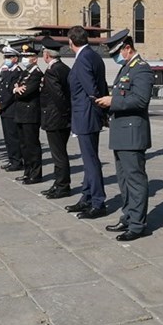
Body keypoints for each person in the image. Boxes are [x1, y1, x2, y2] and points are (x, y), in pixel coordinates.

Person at [95, 29, 154, 239]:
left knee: (135, 180)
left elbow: (140, 100)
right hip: (121, 134)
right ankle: (128, 216)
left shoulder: (142, 69)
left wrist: (113, 101)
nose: (115, 58)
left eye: (116, 53)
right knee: (123, 180)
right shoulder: (127, 68)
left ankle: (137, 225)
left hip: (132, 135)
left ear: (127, 48)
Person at [65, 25, 108, 219]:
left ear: (71, 42)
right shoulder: (94, 55)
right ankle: (87, 196)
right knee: (89, 158)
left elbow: (91, 89)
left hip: (86, 114)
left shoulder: (83, 58)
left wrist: (96, 107)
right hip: (90, 114)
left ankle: (98, 201)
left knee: (90, 160)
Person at [39, 37, 72, 199]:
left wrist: (63, 113)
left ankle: (62, 185)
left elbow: (57, 96)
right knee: (60, 153)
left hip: (55, 117)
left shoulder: (52, 71)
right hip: (62, 118)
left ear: (47, 55)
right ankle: (58, 183)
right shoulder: (64, 68)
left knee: (58, 154)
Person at [12, 43, 44, 183]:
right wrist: (16, 90)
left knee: (32, 145)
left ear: (35, 59)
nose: (25, 59)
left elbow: (26, 92)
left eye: (28, 56)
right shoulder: (25, 73)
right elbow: (15, 88)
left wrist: (17, 91)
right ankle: (27, 171)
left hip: (30, 114)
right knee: (24, 145)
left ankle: (35, 173)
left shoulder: (36, 74)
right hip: (20, 113)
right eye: (23, 56)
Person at [0, 46, 23, 171]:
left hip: (11, 108)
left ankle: (17, 161)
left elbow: (12, 93)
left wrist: (2, 104)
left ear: (15, 59)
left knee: (13, 137)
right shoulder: (6, 72)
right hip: (4, 109)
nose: (6, 59)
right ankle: (12, 159)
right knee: (7, 137)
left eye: (8, 57)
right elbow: (2, 90)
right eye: (5, 57)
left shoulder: (18, 73)